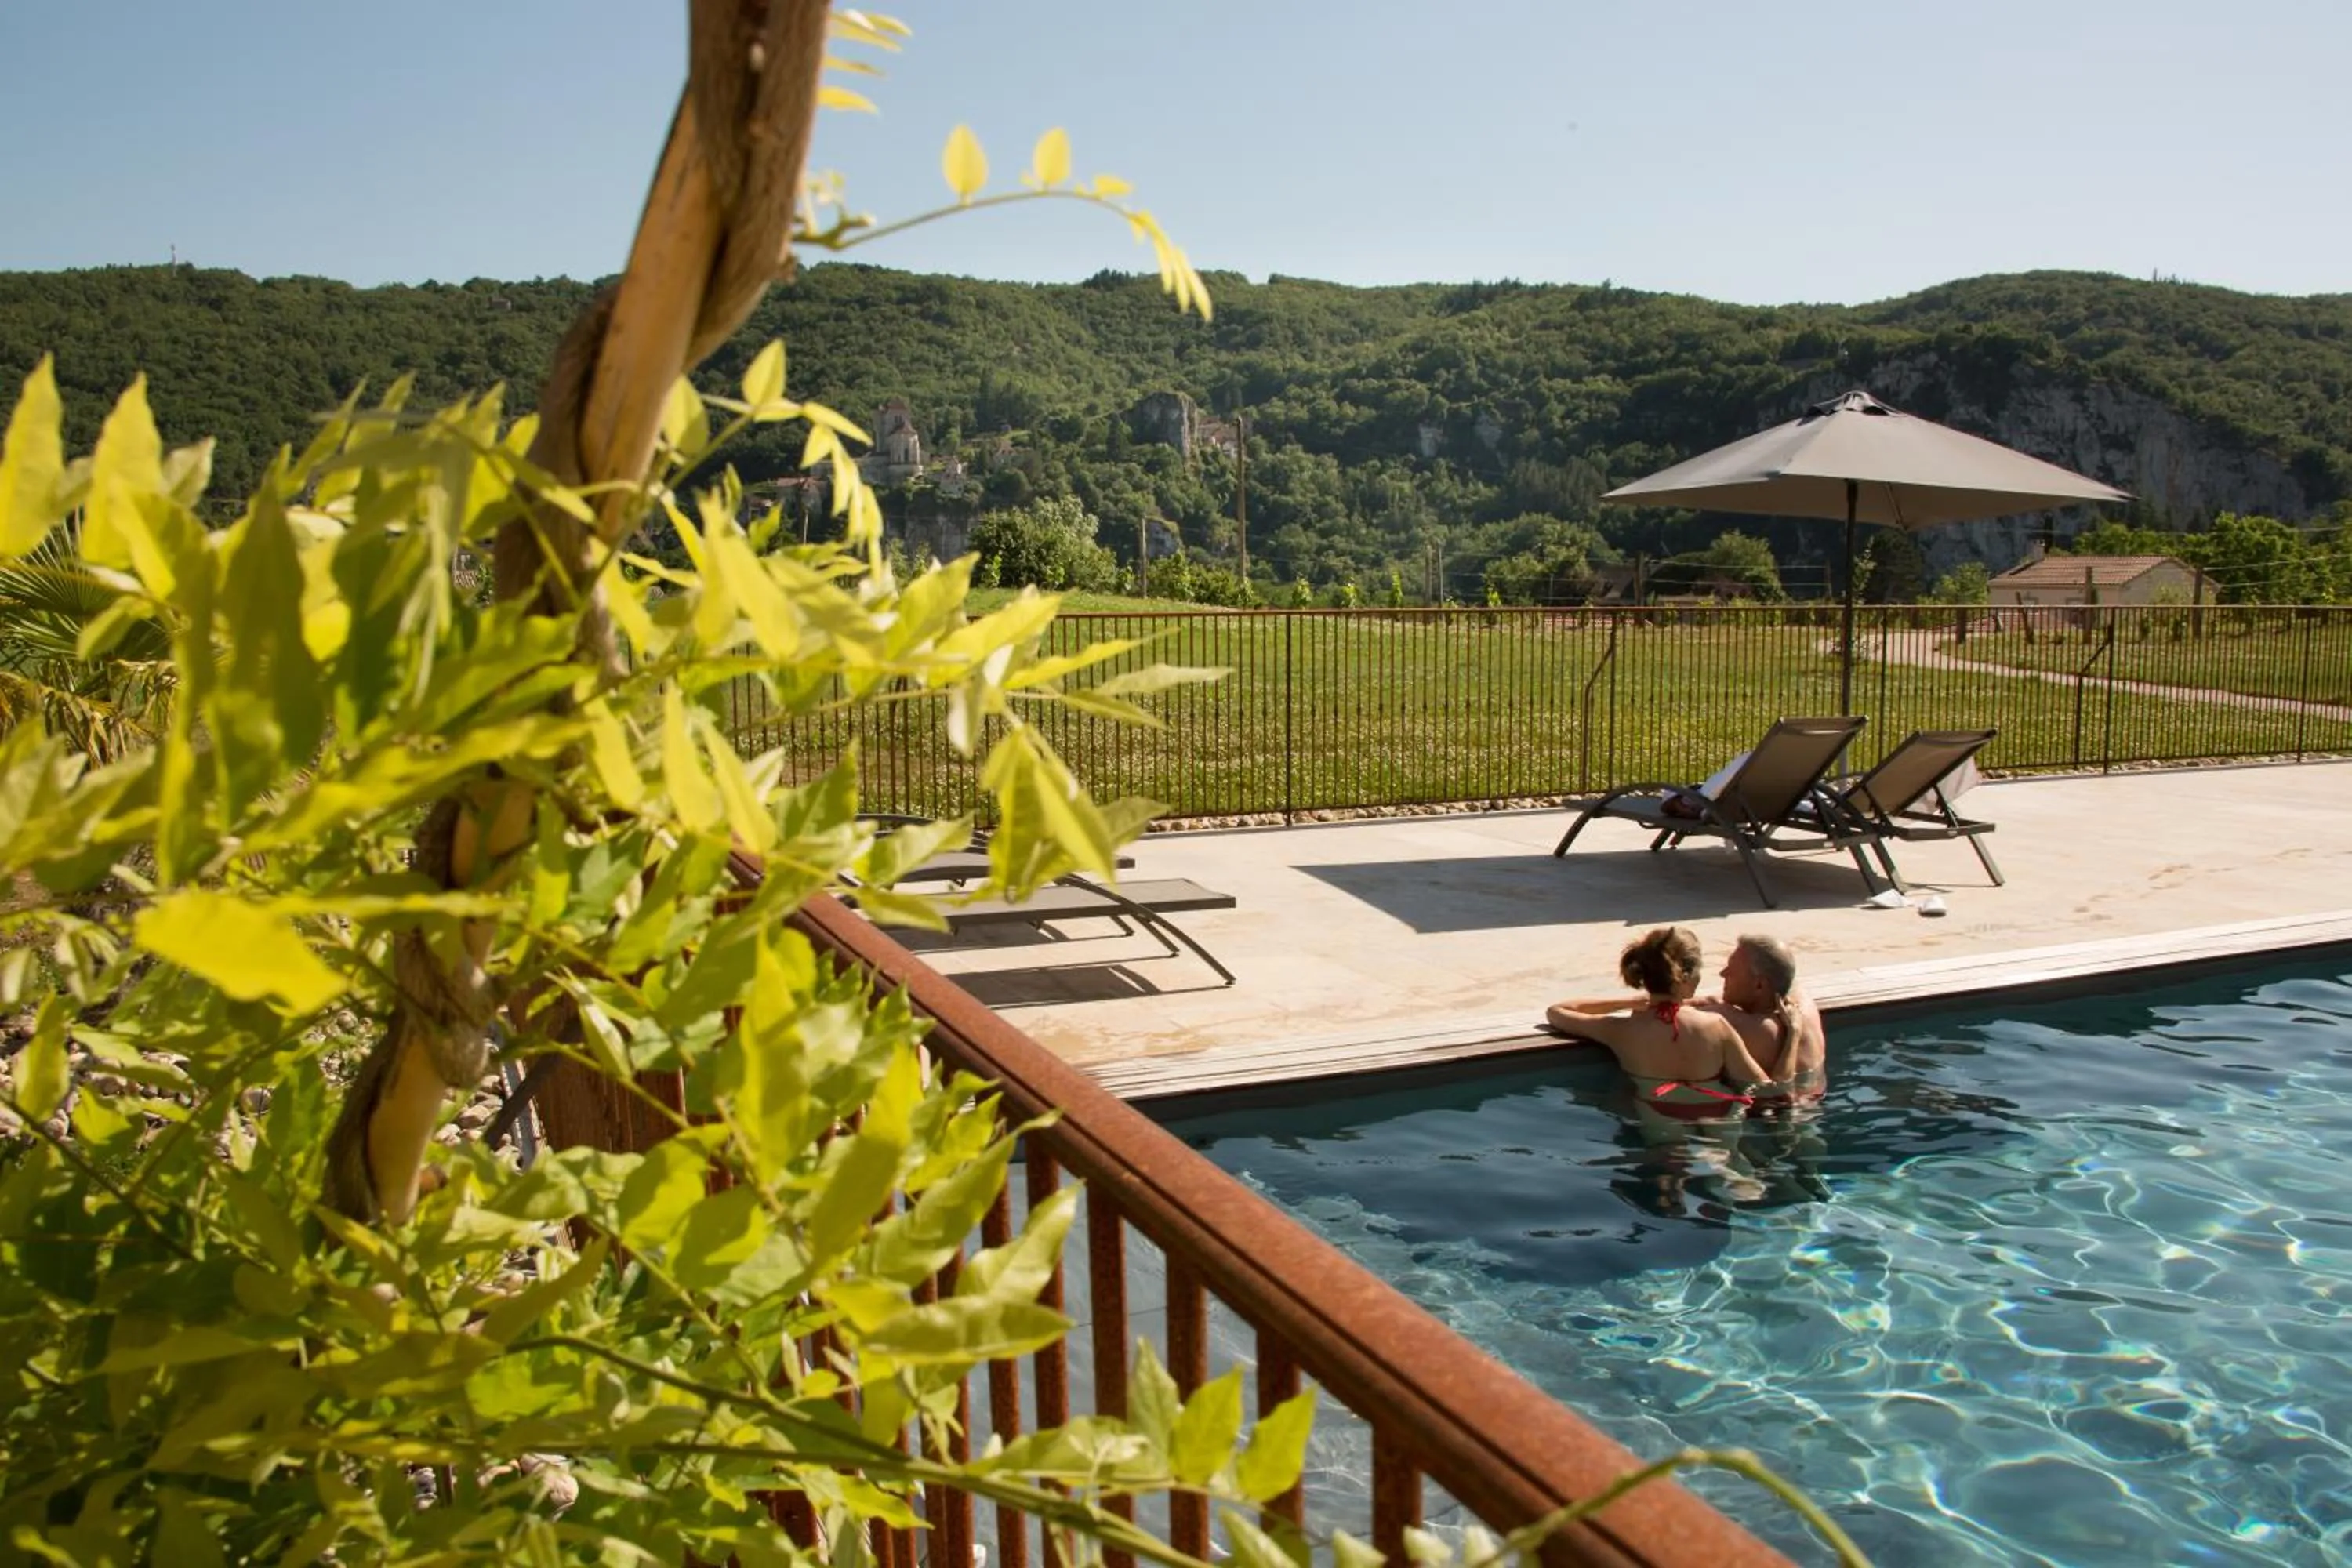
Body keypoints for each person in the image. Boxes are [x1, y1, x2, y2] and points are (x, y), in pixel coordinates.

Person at [1544, 927, 1777, 1120]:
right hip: (1719, 1111)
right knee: (1734, 1164)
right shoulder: (1716, 1026)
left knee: (1667, 1168)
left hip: (1658, 1113)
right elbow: (1761, 1086)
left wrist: (1628, 1002)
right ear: (1685, 976)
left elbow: (1557, 1012)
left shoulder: (1620, 1030)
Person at [1699, 934, 1826, 1107]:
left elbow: (1679, 1013)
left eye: (1731, 971)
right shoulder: (1805, 1004)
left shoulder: (1750, 1026)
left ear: (1759, 985)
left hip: (1777, 1121)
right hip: (1813, 1106)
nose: (1722, 974)